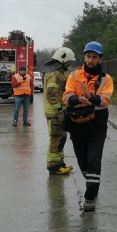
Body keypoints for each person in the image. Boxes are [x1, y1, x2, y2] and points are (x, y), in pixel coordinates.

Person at [62, 41, 113, 212]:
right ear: (84, 57)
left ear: (100, 59)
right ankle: (91, 179)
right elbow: (67, 96)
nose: (91, 60)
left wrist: (90, 97)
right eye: (89, 57)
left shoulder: (106, 79)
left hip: (97, 124)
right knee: (82, 159)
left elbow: (105, 100)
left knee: (94, 159)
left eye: (95, 57)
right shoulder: (74, 76)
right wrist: (77, 99)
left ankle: (90, 196)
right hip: (77, 122)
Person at [43, 47, 76, 175]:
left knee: (61, 138)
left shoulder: (58, 73)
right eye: (69, 61)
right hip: (55, 114)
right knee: (56, 138)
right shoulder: (54, 74)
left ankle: (59, 163)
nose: (70, 63)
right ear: (63, 60)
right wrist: (59, 111)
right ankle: (53, 166)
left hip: (57, 112)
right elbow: (52, 95)